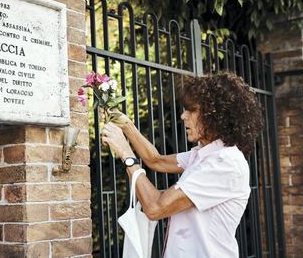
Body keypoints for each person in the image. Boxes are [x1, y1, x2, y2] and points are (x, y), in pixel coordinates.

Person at [101, 72, 263, 258]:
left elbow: (155, 207)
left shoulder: (224, 164)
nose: (183, 116)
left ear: (216, 115)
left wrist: (126, 154)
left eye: (192, 110)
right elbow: (156, 160)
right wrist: (126, 125)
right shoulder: (204, 154)